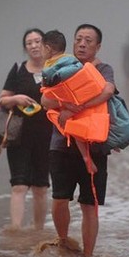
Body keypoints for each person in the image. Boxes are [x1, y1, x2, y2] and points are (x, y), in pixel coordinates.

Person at [41, 24, 116, 257]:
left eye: (88, 40)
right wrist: (66, 105)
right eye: (79, 39)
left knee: (89, 204)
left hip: (95, 145)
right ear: (73, 43)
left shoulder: (104, 69)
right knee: (59, 198)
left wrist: (77, 107)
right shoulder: (63, 66)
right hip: (61, 144)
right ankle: (63, 242)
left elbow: (107, 91)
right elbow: (45, 101)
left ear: (98, 46)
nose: (82, 44)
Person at [0, 28, 53, 231]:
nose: (34, 45)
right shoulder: (18, 70)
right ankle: (16, 230)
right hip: (19, 134)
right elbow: (1, 100)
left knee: (40, 187)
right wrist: (15, 99)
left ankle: (38, 231)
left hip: (47, 135)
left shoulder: (54, 69)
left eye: (37, 41)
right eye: (29, 42)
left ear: (46, 45)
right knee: (19, 185)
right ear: (25, 47)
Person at [41, 29, 97, 174]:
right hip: (79, 98)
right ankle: (89, 155)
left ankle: (85, 157)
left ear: (47, 48)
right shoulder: (71, 59)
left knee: (74, 129)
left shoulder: (50, 67)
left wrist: (66, 105)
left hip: (72, 100)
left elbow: (46, 94)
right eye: (78, 40)